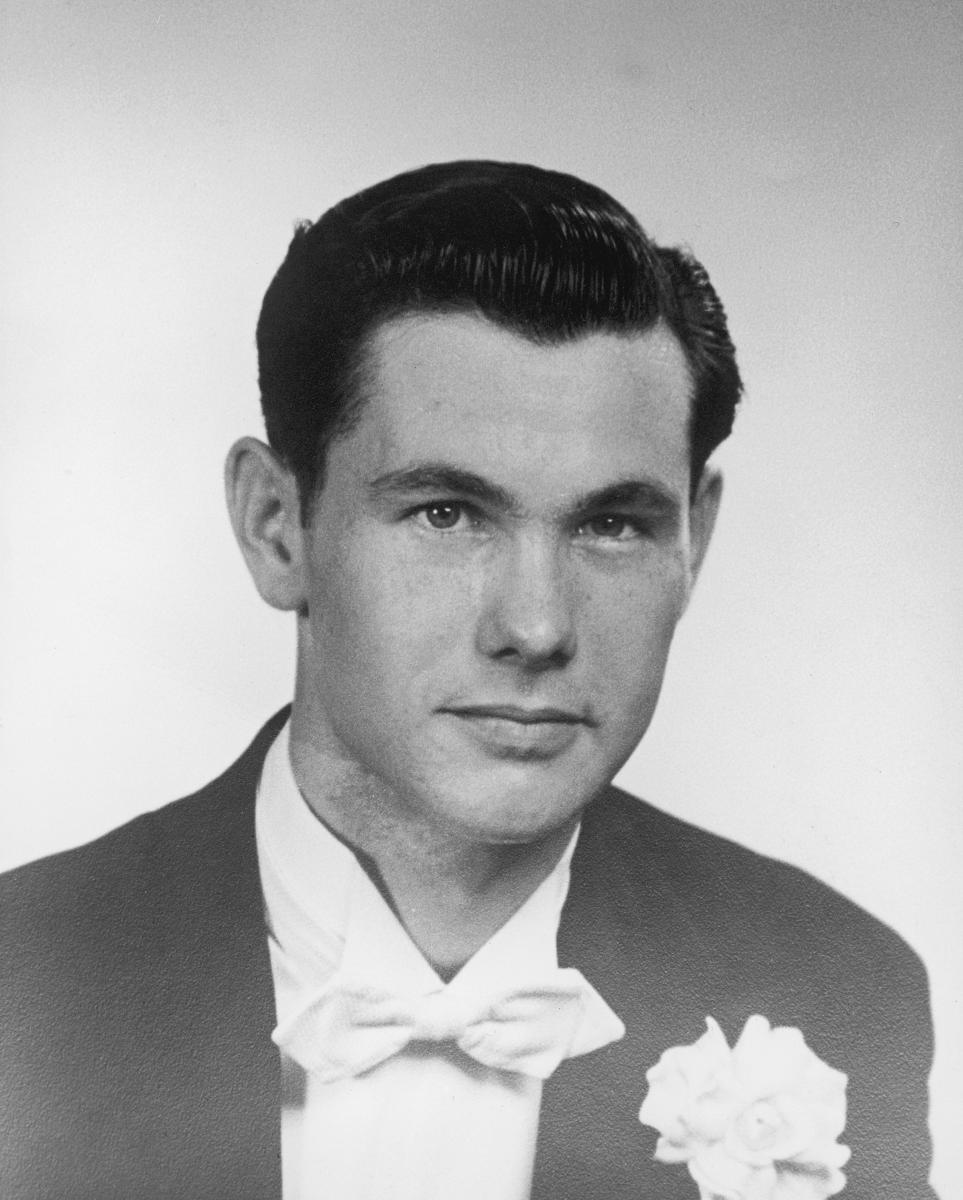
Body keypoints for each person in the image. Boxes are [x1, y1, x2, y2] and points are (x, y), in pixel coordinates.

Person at [0, 161, 936, 1200]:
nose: (535, 627)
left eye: (613, 525)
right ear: (277, 527)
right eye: (446, 513)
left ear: (694, 542)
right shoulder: (21, 980)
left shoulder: (837, 984)